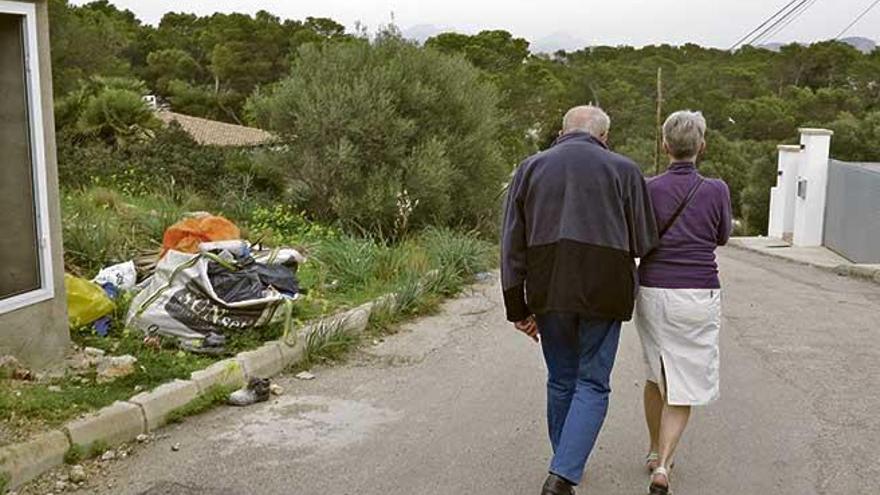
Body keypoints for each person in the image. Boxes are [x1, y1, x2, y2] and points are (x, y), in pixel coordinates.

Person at [501, 105, 659, 495]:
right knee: (592, 382)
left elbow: (511, 246)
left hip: (548, 288)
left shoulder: (530, 168)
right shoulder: (625, 170)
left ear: (561, 132)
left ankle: (565, 464)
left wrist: (516, 308)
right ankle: (563, 473)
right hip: (606, 291)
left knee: (560, 379)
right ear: (603, 137)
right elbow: (643, 241)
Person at [635, 111, 732, 495]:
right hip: (698, 292)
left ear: (665, 145)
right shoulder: (717, 190)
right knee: (685, 382)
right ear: (702, 146)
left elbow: (640, 240)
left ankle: (653, 449)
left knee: (655, 373)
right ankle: (663, 465)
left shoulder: (647, 187)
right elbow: (722, 236)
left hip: (654, 290)